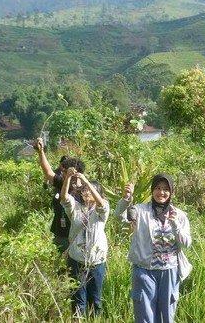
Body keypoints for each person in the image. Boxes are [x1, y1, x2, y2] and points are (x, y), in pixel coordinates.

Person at [115, 174, 192, 323]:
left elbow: (187, 243)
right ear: (152, 190)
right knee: (145, 315)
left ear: (171, 192)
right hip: (144, 270)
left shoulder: (179, 215)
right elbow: (120, 217)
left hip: (170, 270)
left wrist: (175, 225)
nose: (161, 192)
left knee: (166, 316)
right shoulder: (141, 210)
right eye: (157, 188)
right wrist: (126, 199)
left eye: (165, 189)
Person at [60, 167, 109, 317]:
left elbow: (100, 204)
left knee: (95, 300)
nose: (86, 192)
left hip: (97, 261)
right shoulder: (75, 208)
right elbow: (64, 198)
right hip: (76, 260)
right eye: (85, 189)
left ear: (98, 194)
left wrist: (86, 180)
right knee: (77, 300)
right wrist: (68, 177)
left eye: (91, 190)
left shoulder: (103, 209)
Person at [35, 137, 84, 253]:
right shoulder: (62, 182)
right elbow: (48, 172)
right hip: (61, 234)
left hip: (78, 237)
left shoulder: (86, 191)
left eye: (64, 171)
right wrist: (41, 152)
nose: (61, 173)